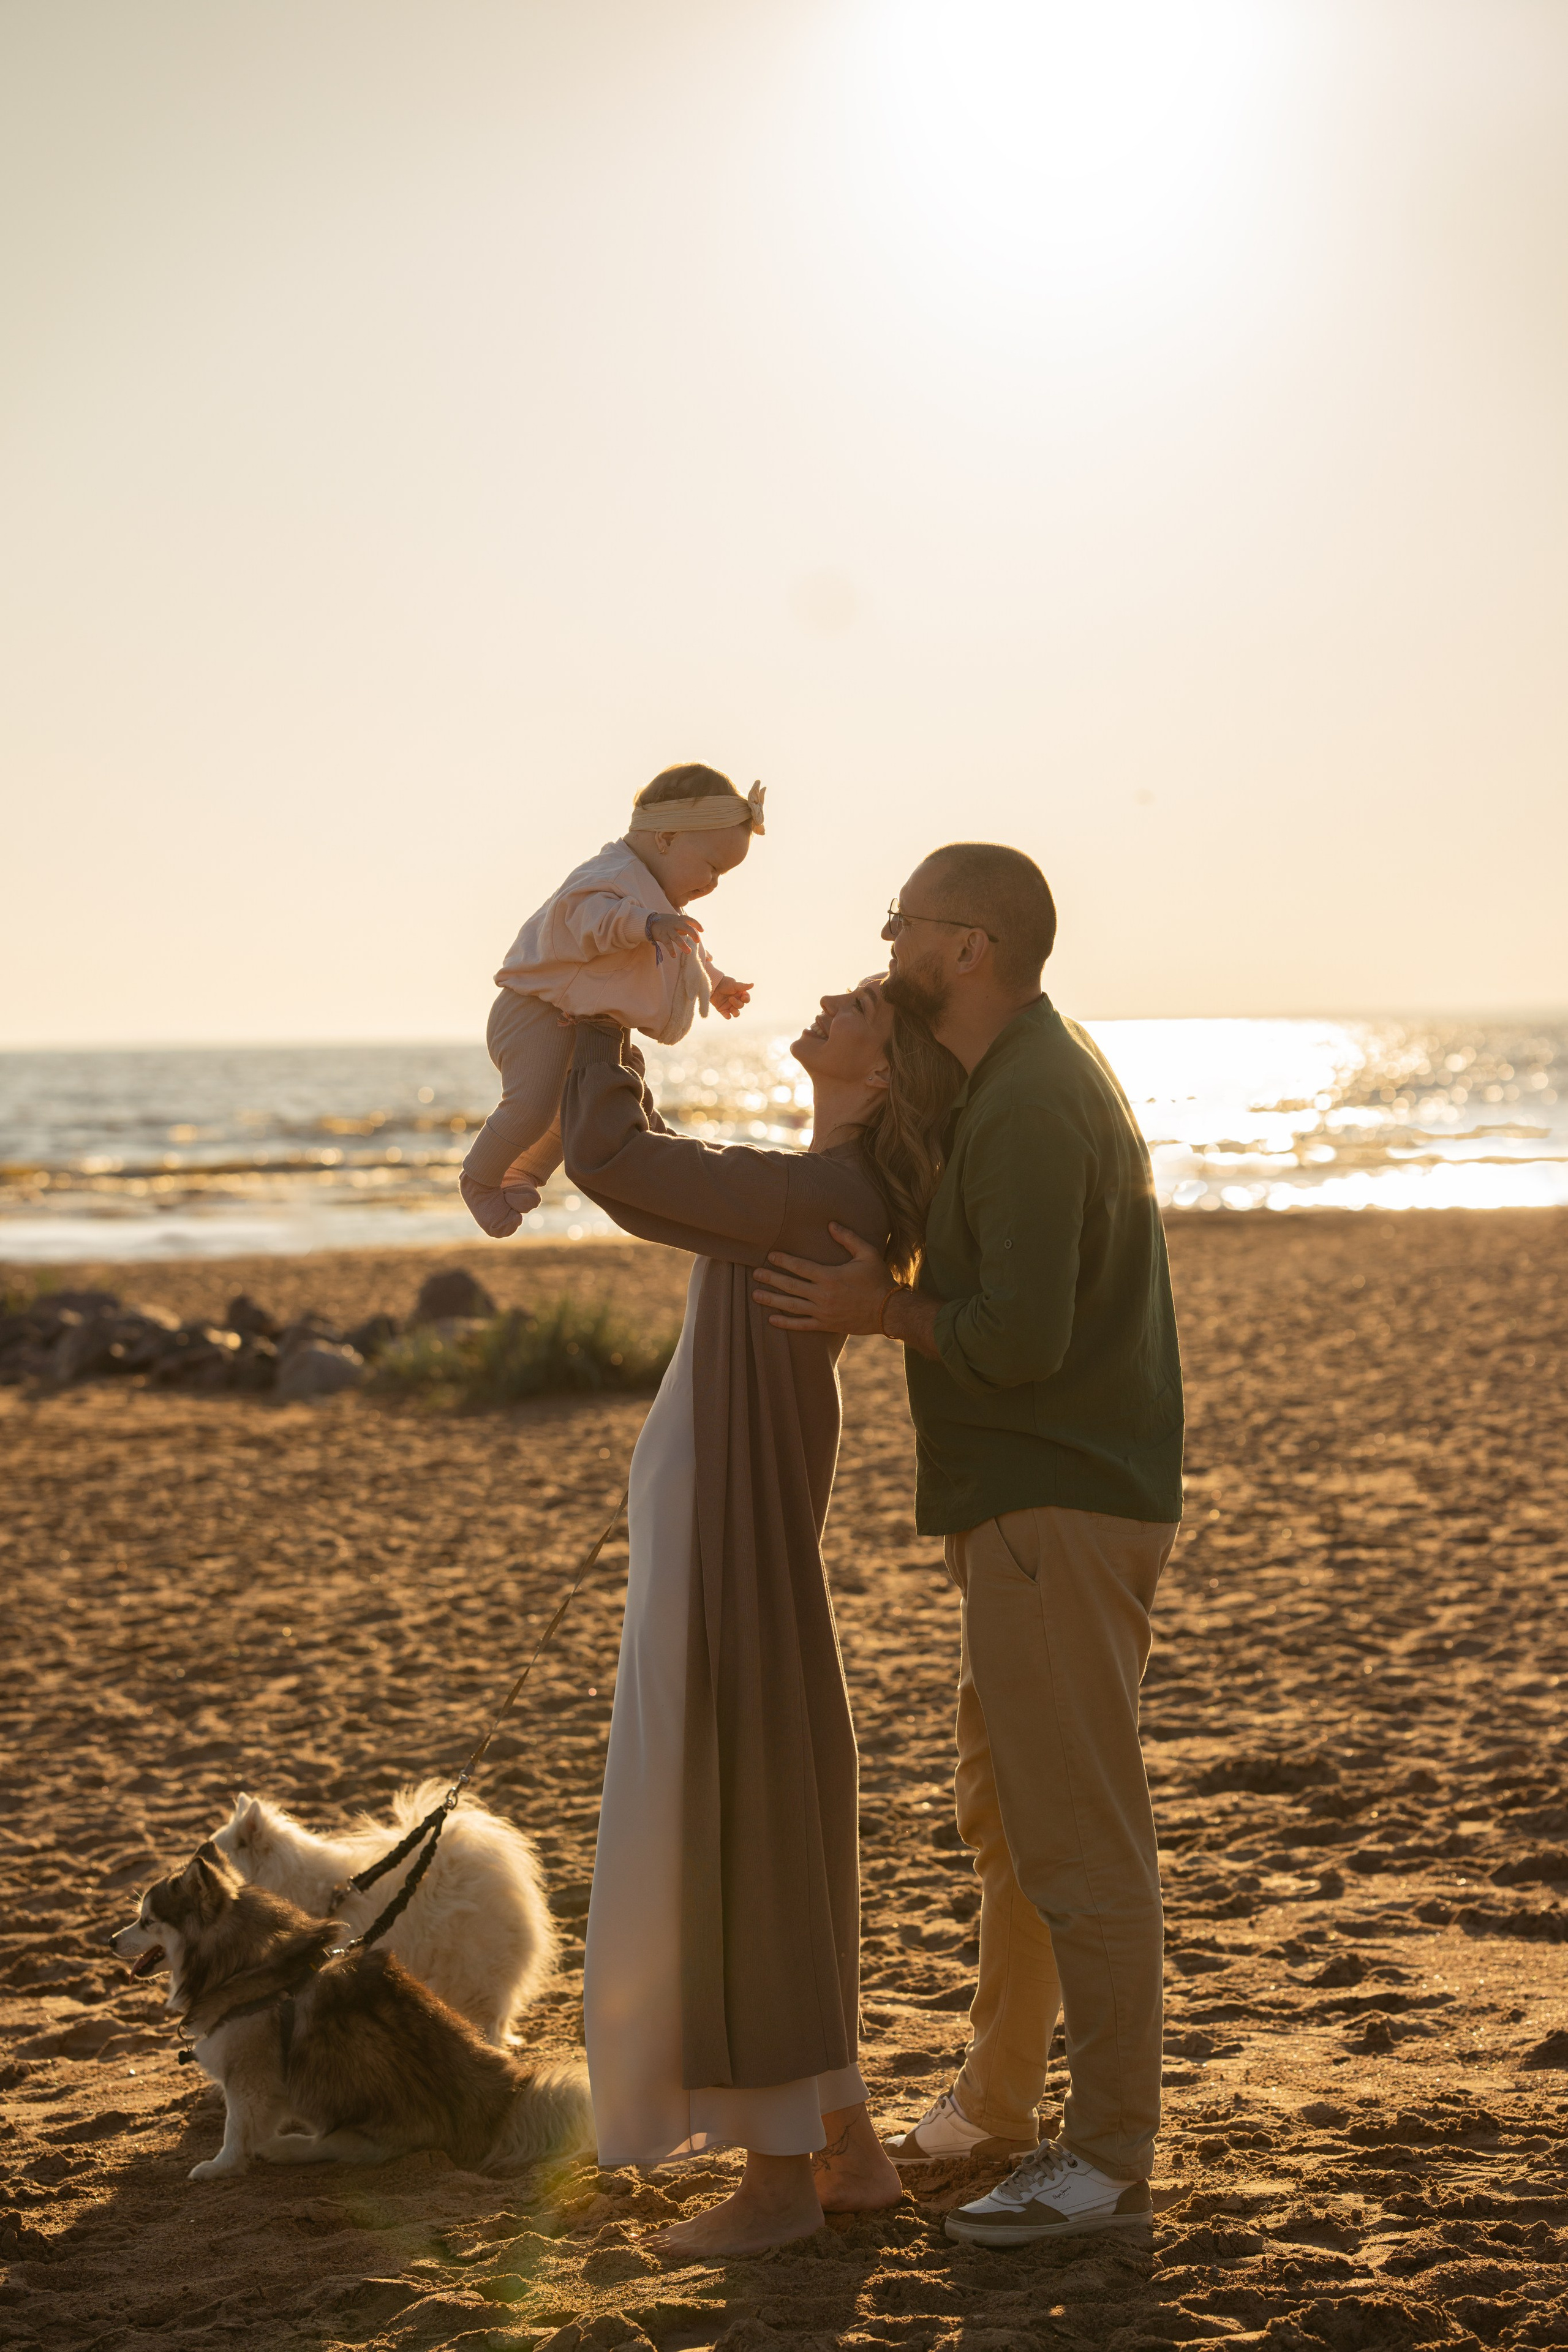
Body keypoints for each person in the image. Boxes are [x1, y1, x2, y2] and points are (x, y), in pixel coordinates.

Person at [753, 842, 1184, 2249]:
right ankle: (997, 2104)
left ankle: (1103, 2157)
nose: (884, 946)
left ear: (966, 949)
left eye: (901, 925)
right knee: (1009, 1821)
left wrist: (878, 1310)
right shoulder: (1010, 1082)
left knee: (1077, 1838)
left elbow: (1019, 1338)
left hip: (1055, 1506)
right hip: (1027, 1505)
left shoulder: (1034, 1099)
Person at [558, 979, 963, 2257]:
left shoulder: (819, 1196)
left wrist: (597, 1009)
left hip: (725, 1543)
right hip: (725, 1531)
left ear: (883, 1076)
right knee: (763, 1814)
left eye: (864, 1005)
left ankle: (780, 2190)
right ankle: (849, 2156)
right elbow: (645, 1170)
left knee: (741, 1826)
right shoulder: (821, 1191)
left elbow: (611, 1159)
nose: (835, 995)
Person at [459, 763, 761, 1239]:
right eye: (712, 867)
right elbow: (588, 917)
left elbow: (689, 952)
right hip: (534, 1011)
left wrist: (715, 982)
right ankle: (478, 1178)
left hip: (577, 1022)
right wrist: (646, 925)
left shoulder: (658, 901)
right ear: (666, 837)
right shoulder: (611, 875)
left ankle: (519, 1173)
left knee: (576, 1112)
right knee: (532, 1106)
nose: (713, 884)